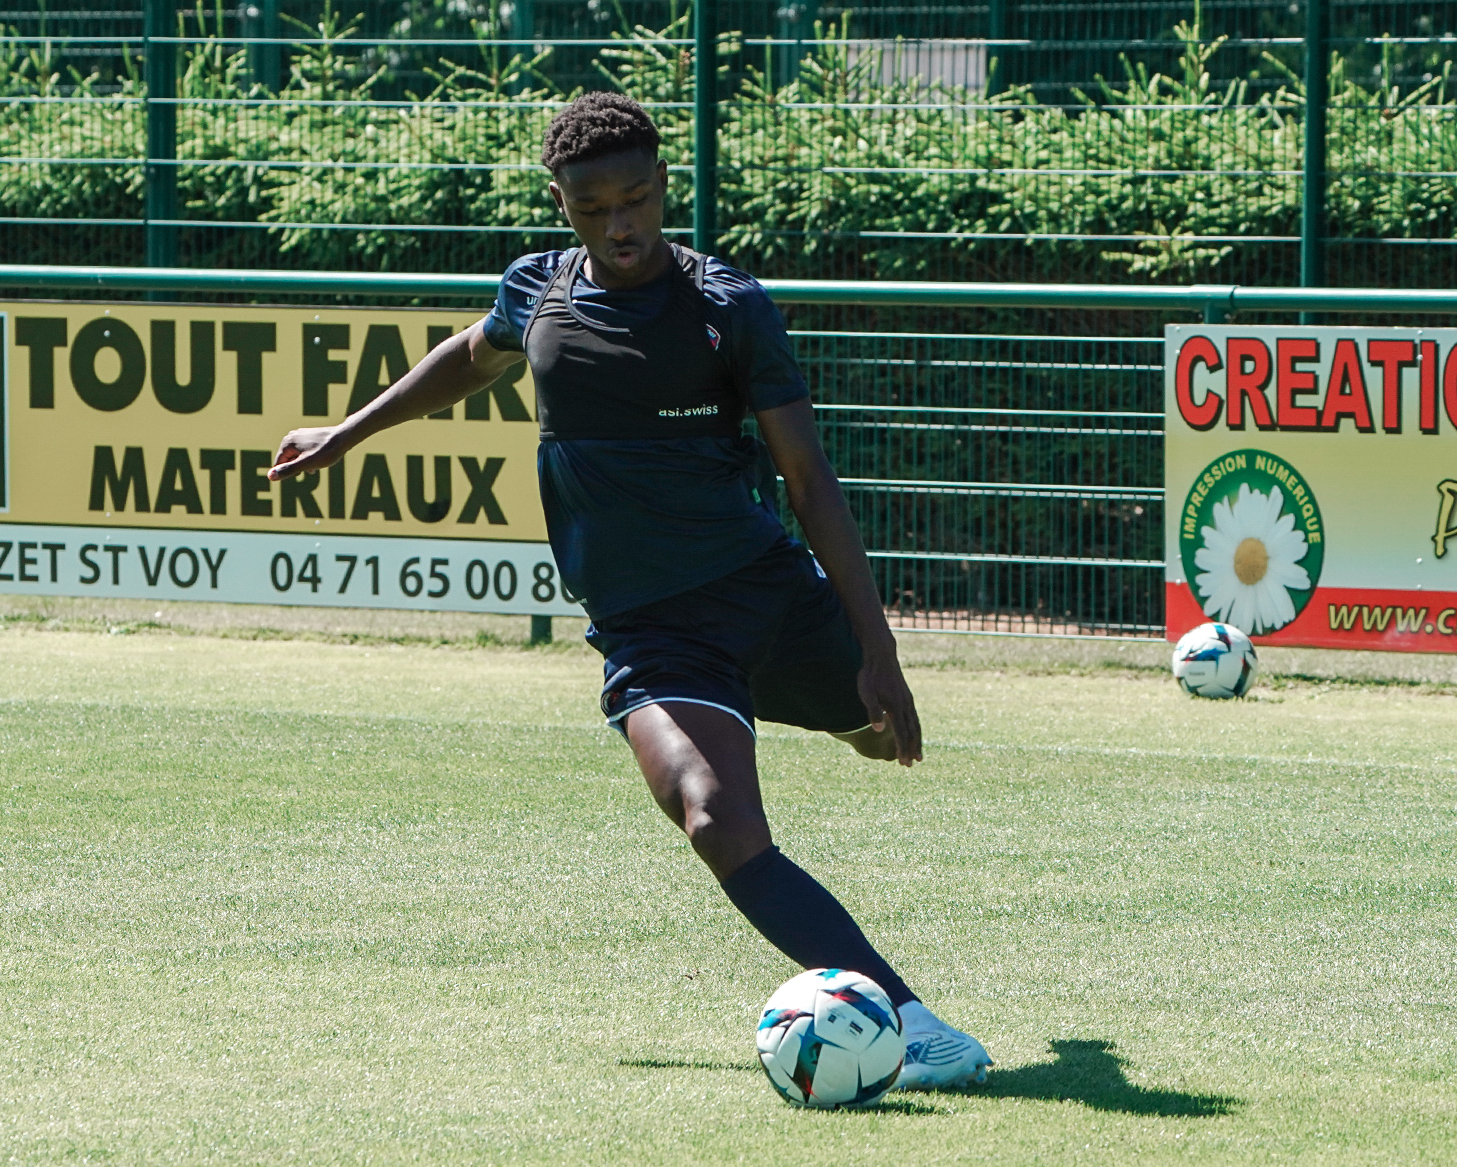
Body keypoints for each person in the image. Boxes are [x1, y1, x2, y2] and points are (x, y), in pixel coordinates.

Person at [268, 92, 991, 1090]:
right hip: (653, 634)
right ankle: (913, 1027)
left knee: (869, 729)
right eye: (594, 205)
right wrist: (343, 433)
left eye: (639, 198)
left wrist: (881, 653)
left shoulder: (726, 308)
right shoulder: (537, 292)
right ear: (558, 201)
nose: (620, 224)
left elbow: (809, 482)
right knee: (714, 817)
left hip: (767, 598)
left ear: (664, 186)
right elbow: (469, 359)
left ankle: (836, 709)